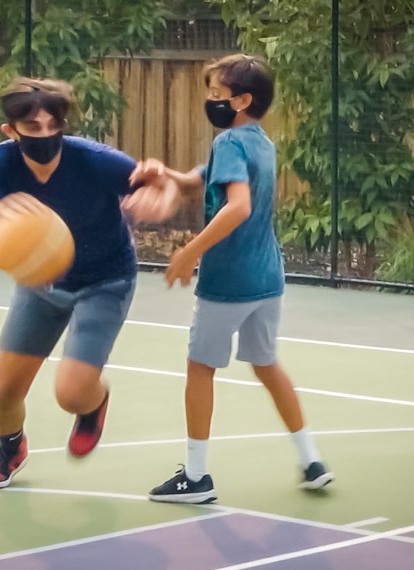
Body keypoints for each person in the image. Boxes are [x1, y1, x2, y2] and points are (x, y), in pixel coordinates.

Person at [127, 54, 334, 504]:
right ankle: (312, 460)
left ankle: (197, 477)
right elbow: (206, 181)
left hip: (229, 281)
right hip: (267, 278)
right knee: (266, 365)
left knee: (200, 369)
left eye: (216, 95)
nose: (210, 101)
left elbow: (237, 206)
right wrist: (168, 174)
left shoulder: (229, 145)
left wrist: (190, 250)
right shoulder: (259, 142)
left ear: (242, 100)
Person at [0, 77, 177, 490]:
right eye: (33, 128)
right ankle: (10, 448)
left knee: (72, 393)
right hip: (39, 285)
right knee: (3, 395)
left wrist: (161, 196)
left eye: (53, 126)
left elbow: (160, 186)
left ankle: (93, 404)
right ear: (11, 131)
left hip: (105, 280)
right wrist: (10, 219)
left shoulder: (94, 160)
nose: (45, 135)